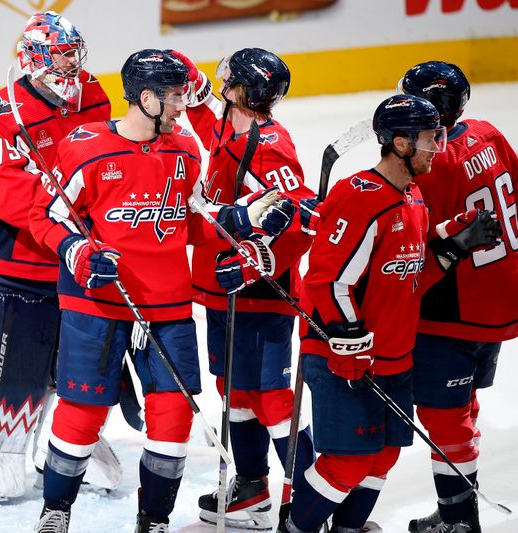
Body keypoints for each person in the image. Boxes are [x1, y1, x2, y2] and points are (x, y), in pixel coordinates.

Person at [28, 48, 292, 533]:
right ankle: (56, 512)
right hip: (98, 305)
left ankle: (154, 521)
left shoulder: (185, 150)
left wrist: (243, 218)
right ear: (146, 98)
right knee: (83, 411)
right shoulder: (86, 147)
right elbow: (46, 217)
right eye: (173, 96)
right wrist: (78, 253)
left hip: (167, 307)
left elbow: (192, 221)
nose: (181, 105)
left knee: (173, 419)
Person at [278, 94, 502, 533]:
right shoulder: (360, 197)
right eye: (428, 139)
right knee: (348, 460)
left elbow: (411, 278)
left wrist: (454, 245)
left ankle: (345, 528)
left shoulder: (414, 198)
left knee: (384, 454)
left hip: (395, 355)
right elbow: (328, 280)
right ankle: (295, 529)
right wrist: (349, 340)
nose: (437, 146)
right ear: (399, 144)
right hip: (343, 356)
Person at [0, 10, 112, 500]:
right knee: (10, 354)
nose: (71, 61)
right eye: (61, 52)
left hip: (70, 256)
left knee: (69, 362)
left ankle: (63, 446)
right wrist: (64, 221)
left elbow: (105, 164)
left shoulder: (94, 95)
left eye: (73, 51)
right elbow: (4, 192)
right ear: (36, 57)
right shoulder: (5, 110)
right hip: (10, 260)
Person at [178, 47, 316, 531]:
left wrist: (263, 258)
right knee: (231, 389)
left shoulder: (270, 147)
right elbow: (197, 109)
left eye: (226, 78)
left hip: (263, 294)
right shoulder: (226, 125)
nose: (218, 83)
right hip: (222, 290)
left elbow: (300, 219)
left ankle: (307, 498)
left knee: (273, 396)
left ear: (240, 91)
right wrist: (176, 67)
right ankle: (253, 486)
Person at [399, 61, 518, 533]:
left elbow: (410, 240)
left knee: (444, 414)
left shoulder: (434, 164)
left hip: (454, 306)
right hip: (501, 297)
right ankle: (457, 507)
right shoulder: (488, 133)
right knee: (464, 402)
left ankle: (458, 519)